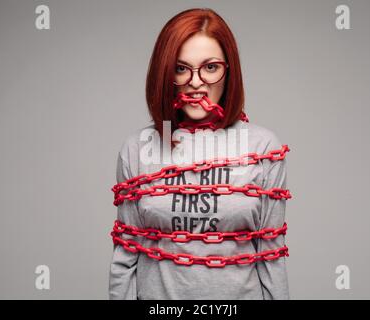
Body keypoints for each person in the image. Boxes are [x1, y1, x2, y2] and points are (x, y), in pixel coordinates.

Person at [109, 7, 292, 300]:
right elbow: (126, 253)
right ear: (164, 74)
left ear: (228, 71)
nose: (196, 82)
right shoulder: (138, 149)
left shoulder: (263, 148)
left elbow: (271, 255)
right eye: (181, 68)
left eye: (210, 67)